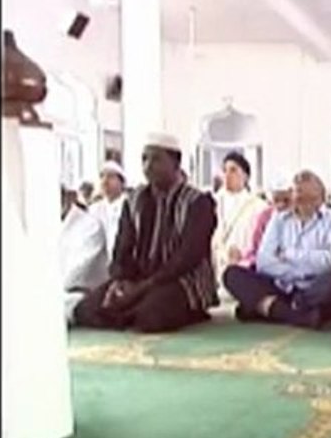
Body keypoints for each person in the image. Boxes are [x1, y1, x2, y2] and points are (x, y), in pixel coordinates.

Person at [73, 132, 218, 333]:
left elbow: (186, 259)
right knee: (83, 310)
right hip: (138, 279)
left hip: (182, 280)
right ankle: (131, 310)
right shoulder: (134, 200)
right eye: (144, 159)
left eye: (156, 159)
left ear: (176, 163)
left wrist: (141, 289)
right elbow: (122, 249)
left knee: (150, 316)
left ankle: (146, 311)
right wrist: (119, 282)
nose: (148, 166)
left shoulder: (198, 202)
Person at [223, 170, 331, 328]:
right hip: (280, 286)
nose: (302, 203)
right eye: (299, 197)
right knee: (232, 274)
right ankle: (297, 315)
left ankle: (268, 308)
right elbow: (264, 261)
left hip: (312, 288)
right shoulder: (279, 219)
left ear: (320, 199)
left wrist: (289, 255)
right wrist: (299, 271)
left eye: (309, 199)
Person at [211, 152, 267, 293]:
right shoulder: (211, 202)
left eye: (233, 170)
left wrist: (243, 255)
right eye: (225, 170)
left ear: (246, 176)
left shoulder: (258, 206)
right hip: (216, 262)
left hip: (243, 263)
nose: (228, 175)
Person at [60, 186, 109, 324]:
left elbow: (75, 274)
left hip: (81, 294)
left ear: (68, 198)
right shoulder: (44, 226)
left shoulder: (90, 225)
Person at [241, 175, 293, 268]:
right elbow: (254, 248)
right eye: (277, 200)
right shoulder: (265, 216)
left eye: (286, 201)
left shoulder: (300, 216)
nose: (281, 205)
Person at [87, 160, 127, 259]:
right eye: (102, 177)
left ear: (121, 182)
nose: (105, 181)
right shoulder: (94, 209)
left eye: (110, 177)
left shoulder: (129, 206)